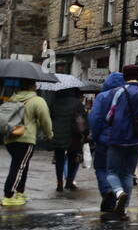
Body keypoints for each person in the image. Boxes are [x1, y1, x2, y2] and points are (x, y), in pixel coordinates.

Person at [100, 64, 138, 219]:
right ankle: (123, 210)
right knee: (128, 174)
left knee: (111, 172)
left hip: (117, 138)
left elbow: (109, 116)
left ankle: (119, 192)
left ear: (125, 77)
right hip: (136, 140)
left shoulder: (117, 92)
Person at [2, 79, 53, 207]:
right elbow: (45, 119)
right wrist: (49, 135)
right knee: (18, 167)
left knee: (21, 166)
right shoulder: (37, 101)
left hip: (10, 138)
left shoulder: (13, 98)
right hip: (25, 138)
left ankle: (20, 193)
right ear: (33, 86)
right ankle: (8, 196)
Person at [87, 72, 125, 213]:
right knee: (121, 171)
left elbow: (95, 119)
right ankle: (120, 196)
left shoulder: (102, 97)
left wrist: (95, 136)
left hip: (105, 139)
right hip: (126, 141)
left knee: (102, 168)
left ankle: (107, 190)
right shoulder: (128, 95)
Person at [49, 87, 87, 192]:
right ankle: (69, 182)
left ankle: (59, 183)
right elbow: (82, 120)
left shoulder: (55, 102)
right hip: (73, 135)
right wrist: (85, 134)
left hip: (58, 133)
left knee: (59, 159)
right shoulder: (77, 103)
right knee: (72, 159)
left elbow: (50, 115)